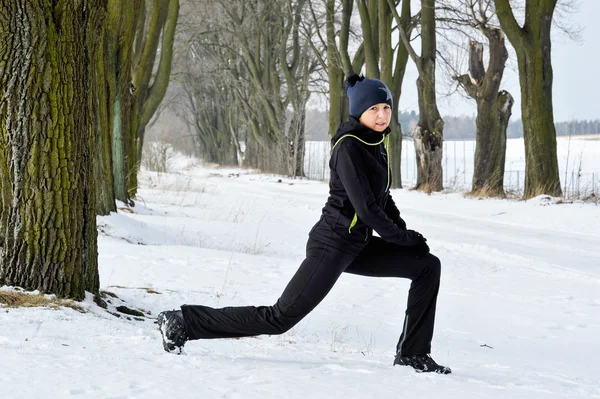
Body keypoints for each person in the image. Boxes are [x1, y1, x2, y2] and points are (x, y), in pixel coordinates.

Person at [157, 75, 451, 374]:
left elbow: (383, 199)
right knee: (279, 319)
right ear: (359, 111)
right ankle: (184, 322)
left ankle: (413, 355)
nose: (381, 115)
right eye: (374, 108)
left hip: (357, 244)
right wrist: (403, 239)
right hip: (332, 244)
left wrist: (406, 236)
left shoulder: (376, 143)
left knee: (427, 266)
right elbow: (367, 210)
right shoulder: (349, 147)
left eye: (386, 108)